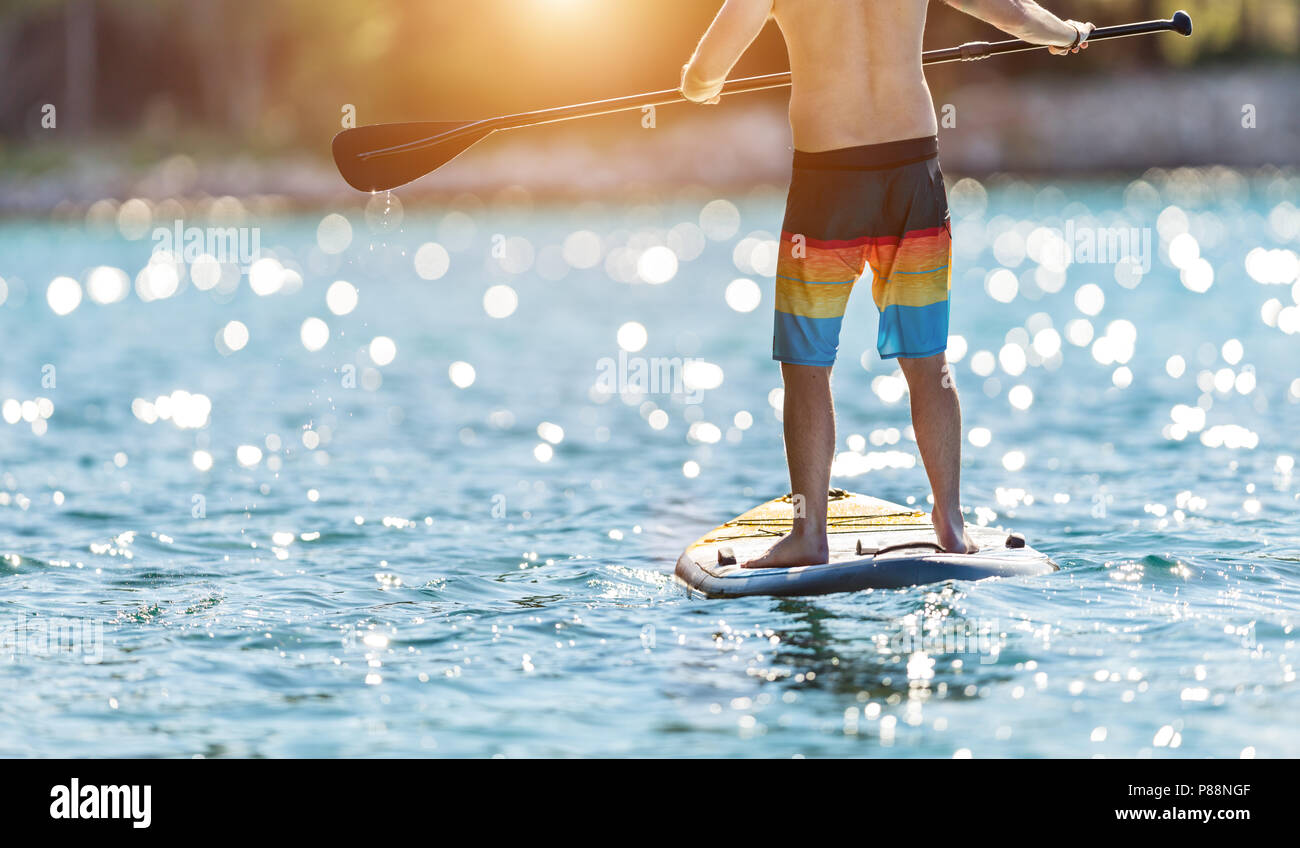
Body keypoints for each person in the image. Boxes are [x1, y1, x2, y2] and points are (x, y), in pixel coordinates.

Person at [680, 0, 1093, 567]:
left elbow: (708, 68)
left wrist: (699, 85)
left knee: (806, 366)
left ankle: (809, 535)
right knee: (930, 362)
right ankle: (949, 523)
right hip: (912, 174)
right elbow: (1015, 14)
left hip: (827, 184)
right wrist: (1067, 34)